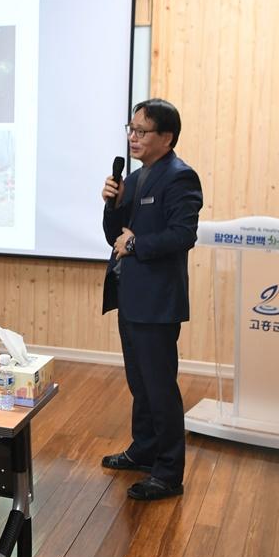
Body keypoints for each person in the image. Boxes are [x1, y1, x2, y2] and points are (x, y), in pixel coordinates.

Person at [100, 98, 203, 501]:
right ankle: (144, 450)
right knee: (140, 383)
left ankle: (168, 472)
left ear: (167, 137)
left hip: (158, 302)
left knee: (160, 388)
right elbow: (115, 234)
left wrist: (137, 242)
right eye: (130, 129)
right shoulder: (140, 176)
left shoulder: (180, 177)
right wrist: (112, 200)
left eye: (141, 131)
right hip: (132, 296)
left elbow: (183, 235)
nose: (133, 137)